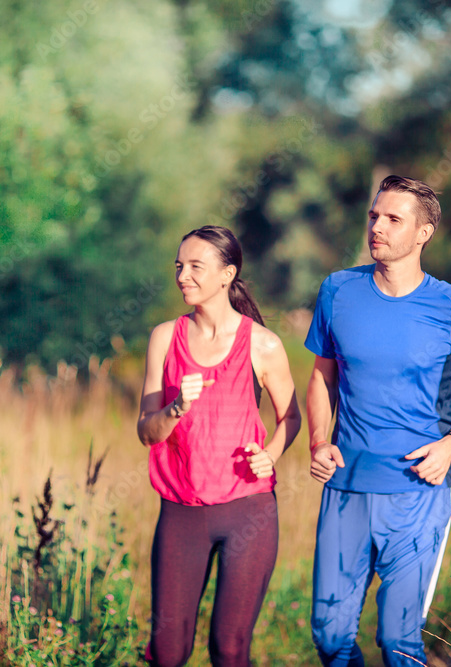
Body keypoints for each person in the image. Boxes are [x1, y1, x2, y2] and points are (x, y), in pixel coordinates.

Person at [305, 175, 451, 667]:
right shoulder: (338, 291)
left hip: (417, 494)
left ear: (423, 233)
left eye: (392, 219)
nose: (377, 226)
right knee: (330, 636)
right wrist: (319, 440)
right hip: (345, 488)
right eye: (374, 216)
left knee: (398, 642)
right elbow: (321, 378)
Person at [137, 225, 302, 667]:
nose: (182, 276)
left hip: (247, 510)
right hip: (180, 513)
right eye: (179, 266)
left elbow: (292, 417)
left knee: (229, 651)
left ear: (227, 274)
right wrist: (175, 408)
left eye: (195, 267)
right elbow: (145, 431)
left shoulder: (263, 345)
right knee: (168, 653)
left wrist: (272, 455)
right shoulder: (164, 338)